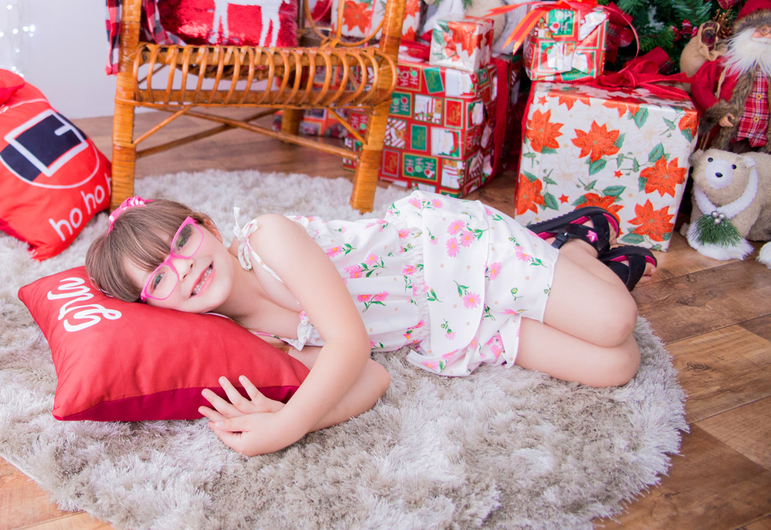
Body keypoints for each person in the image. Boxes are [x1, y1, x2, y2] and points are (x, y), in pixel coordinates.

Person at [85, 193, 648, 457]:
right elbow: (370, 378)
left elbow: (350, 343)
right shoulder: (251, 340)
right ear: (154, 312)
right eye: (158, 280)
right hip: (442, 323)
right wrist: (286, 409)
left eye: (182, 240)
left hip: (450, 253)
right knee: (616, 365)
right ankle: (562, 261)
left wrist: (287, 426)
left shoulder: (268, 238)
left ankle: (570, 244)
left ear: (205, 224)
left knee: (614, 319)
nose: (184, 270)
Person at [691, 0, 771, 151]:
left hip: (760, 143)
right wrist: (718, 111)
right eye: (763, 30)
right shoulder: (727, 62)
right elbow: (700, 84)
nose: (768, 37)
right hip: (727, 138)